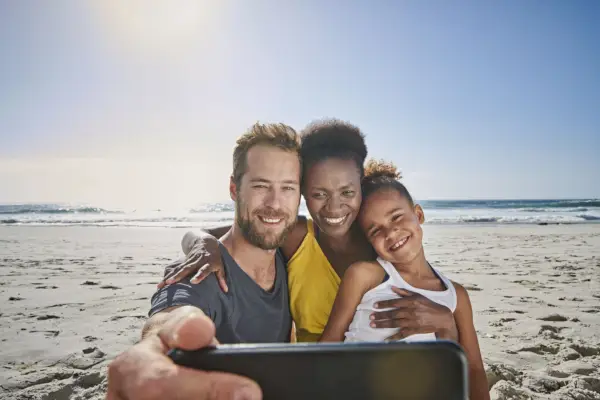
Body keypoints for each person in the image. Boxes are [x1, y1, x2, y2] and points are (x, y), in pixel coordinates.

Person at [158, 119, 458, 343]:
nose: (334, 208)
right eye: (319, 194)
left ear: (360, 186)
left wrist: (446, 322)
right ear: (302, 193)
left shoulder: (382, 242)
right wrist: (204, 243)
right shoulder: (297, 236)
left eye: (347, 192)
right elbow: (225, 232)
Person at [320, 160, 489, 400]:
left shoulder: (456, 296)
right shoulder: (366, 276)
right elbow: (329, 345)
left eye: (397, 217)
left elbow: (473, 370)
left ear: (418, 214)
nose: (390, 233)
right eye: (375, 230)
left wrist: (445, 326)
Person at [147, 122, 302, 343]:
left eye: (288, 188)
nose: (275, 203)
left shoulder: (292, 255)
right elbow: (166, 324)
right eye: (260, 186)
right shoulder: (200, 272)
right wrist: (156, 348)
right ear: (233, 189)